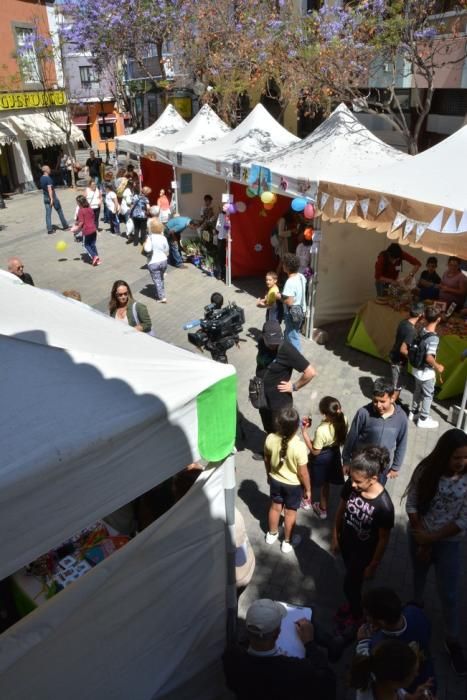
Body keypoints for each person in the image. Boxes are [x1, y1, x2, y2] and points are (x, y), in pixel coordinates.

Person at [404, 428, 467, 676]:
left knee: (449, 594)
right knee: (418, 576)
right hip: (419, 537)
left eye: (465, 457)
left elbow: (463, 520)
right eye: (456, 458)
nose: (462, 463)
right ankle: (415, 609)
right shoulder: (426, 470)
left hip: (449, 543)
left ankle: (452, 640)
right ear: (443, 456)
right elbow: (411, 503)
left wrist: (431, 539)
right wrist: (422, 540)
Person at [222, 599, 336, 700]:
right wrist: (310, 644)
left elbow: (231, 684)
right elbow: (328, 681)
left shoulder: (231, 658)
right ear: (277, 633)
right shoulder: (297, 670)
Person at [331, 446, 395, 629]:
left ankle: (358, 614)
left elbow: (383, 539)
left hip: (364, 556)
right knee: (352, 583)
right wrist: (335, 537)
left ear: (373, 478)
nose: (353, 484)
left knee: (350, 586)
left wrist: (373, 565)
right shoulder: (351, 486)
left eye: (358, 481)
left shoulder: (384, 507)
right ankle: (353, 605)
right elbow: (340, 511)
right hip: (347, 545)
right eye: (351, 478)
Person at [357, 587, 435, 692]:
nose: (366, 618)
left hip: (406, 690)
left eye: (367, 615)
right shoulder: (414, 611)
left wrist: (363, 642)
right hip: (428, 678)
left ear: (382, 622)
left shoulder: (379, 646)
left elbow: (370, 672)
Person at [255, 319, 317, 437]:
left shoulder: (287, 349)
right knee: (268, 427)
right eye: (270, 342)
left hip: (279, 402)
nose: (274, 345)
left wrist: (294, 386)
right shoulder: (261, 342)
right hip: (263, 396)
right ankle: (269, 451)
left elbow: (310, 372)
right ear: (263, 336)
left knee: (282, 432)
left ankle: (281, 454)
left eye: (276, 342)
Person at [264, 407, 311, 553]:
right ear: (297, 427)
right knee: (290, 513)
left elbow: (266, 459)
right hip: (293, 486)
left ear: (278, 424)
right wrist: (308, 489)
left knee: (275, 507)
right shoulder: (299, 447)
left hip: (275, 480)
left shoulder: (270, 438)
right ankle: (287, 542)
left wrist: (268, 475)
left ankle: (272, 534)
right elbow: (303, 473)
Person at [343, 378, 408, 482]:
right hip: (360, 464)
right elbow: (351, 437)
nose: (378, 405)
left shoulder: (401, 417)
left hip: (381, 468)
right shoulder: (363, 413)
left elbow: (402, 443)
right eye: (375, 401)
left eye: (382, 401)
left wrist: (396, 466)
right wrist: (346, 461)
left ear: (392, 398)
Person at [301, 396, 348, 520]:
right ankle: (323, 509)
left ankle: (306, 501)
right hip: (333, 454)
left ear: (324, 413)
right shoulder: (344, 419)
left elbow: (315, 451)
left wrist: (304, 432)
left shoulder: (322, 430)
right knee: (325, 483)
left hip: (320, 458)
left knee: (308, 478)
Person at [350, 638, 433, 700]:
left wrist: (410, 697)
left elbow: (397, 690)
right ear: (394, 681)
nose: (416, 674)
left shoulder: (379, 676)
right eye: (412, 673)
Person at [408, 306, 444, 429]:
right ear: (438, 319)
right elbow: (429, 357)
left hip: (417, 370)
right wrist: (437, 366)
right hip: (426, 373)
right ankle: (423, 418)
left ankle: (413, 412)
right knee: (428, 395)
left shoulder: (422, 329)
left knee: (417, 391)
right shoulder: (433, 338)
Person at [389, 302, 425, 403]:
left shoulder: (404, 322)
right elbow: (403, 349)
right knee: (397, 385)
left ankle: (395, 401)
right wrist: (415, 359)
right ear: (420, 315)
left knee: (399, 383)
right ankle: (391, 405)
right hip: (398, 361)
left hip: (395, 356)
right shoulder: (411, 331)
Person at [280, 252, 307, 351]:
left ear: (287, 266)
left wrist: (279, 296)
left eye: (283, 264)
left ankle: (298, 358)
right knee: (289, 332)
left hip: (292, 313)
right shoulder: (301, 276)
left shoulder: (290, 282)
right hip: (301, 310)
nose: (282, 265)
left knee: (293, 336)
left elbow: (289, 302)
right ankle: (286, 352)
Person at [143, 218, 169, 302]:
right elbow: (166, 249)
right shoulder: (163, 237)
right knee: (161, 278)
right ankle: (160, 292)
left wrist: (146, 242)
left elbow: (147, 249)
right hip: (164, 260)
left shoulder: (150, 237)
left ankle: (162, 297)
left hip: (153, 262)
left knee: (157, 280)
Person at [39, 165, 70, 235]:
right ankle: (65, 226)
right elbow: (50, 189)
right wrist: (52, 199)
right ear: (46, 170)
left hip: (45, 197)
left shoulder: (41, 178)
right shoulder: (48, 179)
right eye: (49, 168)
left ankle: (49, 229)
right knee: (60, 211)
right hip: (52, 198)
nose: (50, 170)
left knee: (48, 214)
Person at [74, 195, 100, 266]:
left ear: (79, 203)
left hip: (86, 231)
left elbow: (81, 222)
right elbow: (92, 218)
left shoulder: (81, 210)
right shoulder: (90, 208)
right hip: (94, 229)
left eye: (77, 202)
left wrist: (77, 229)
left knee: (86, 245)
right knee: (93, 244)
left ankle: (94, 256)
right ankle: (97, 258)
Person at [215, 206, 230, 281]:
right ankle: (224, 273)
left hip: (221, 238)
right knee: (225, 256)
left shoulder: (221, 215)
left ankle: (220, 274)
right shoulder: (230, 215)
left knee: (220, 256)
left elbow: (217, 227)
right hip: (227, 238)